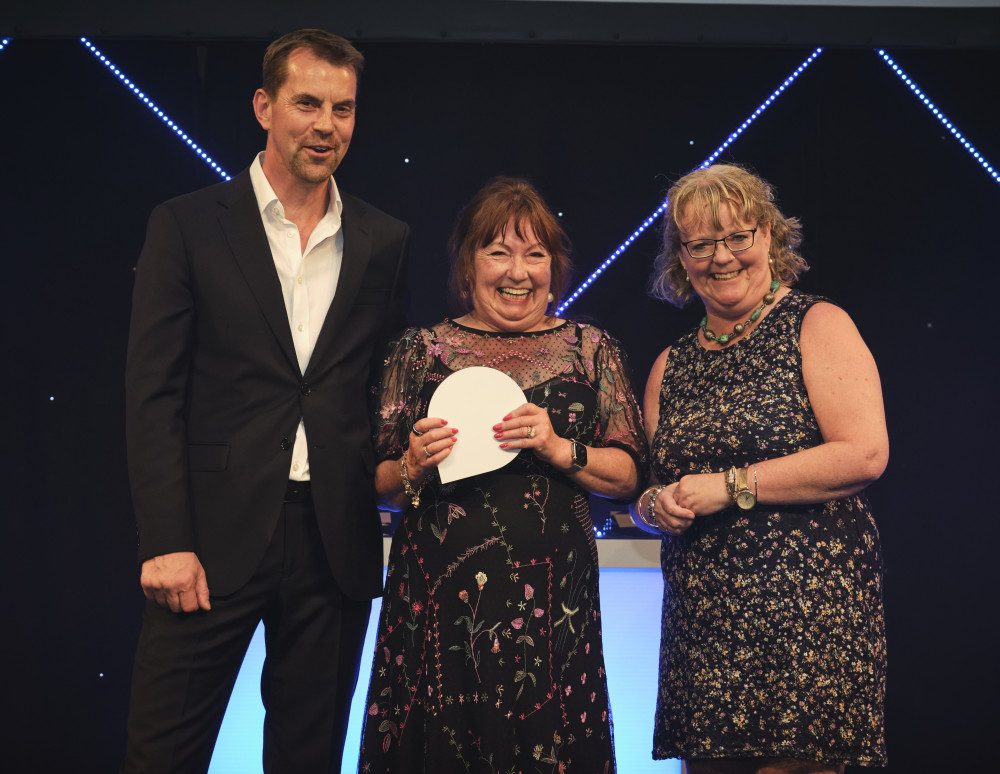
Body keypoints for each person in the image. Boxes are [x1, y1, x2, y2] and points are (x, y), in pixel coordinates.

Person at [123, 29, 410, 773]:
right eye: (307, 103)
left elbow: (382, 386)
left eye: (342, 109)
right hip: (209, 543)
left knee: (308, 757)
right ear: (264, 106)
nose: (326, 125)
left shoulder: (383, 239)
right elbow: (152, 394)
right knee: (162, 754)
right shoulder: (186, 225)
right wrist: (166, 540)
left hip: (333, 543)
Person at [356, 177, 648, 773]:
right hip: (437, 612)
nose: (518, 271)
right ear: (468, 264)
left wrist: (559, 446)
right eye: (499, 252)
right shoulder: (420, 352)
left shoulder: (590, 350)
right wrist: (411, 465)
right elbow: (376, 485)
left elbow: (629, 476)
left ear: (554, 268)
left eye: (535, 254)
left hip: (551, 612)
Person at [631, 164, 888, 774]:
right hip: (704, 628)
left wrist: (729, 488)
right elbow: (648, 491)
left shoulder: (818, 324)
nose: (722, 257)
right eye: (700, 244)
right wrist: (654, 508)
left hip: (806, 618)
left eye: (738, 237)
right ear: (680, 259)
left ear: (769, 237)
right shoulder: (671, 365)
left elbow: (864, 453)